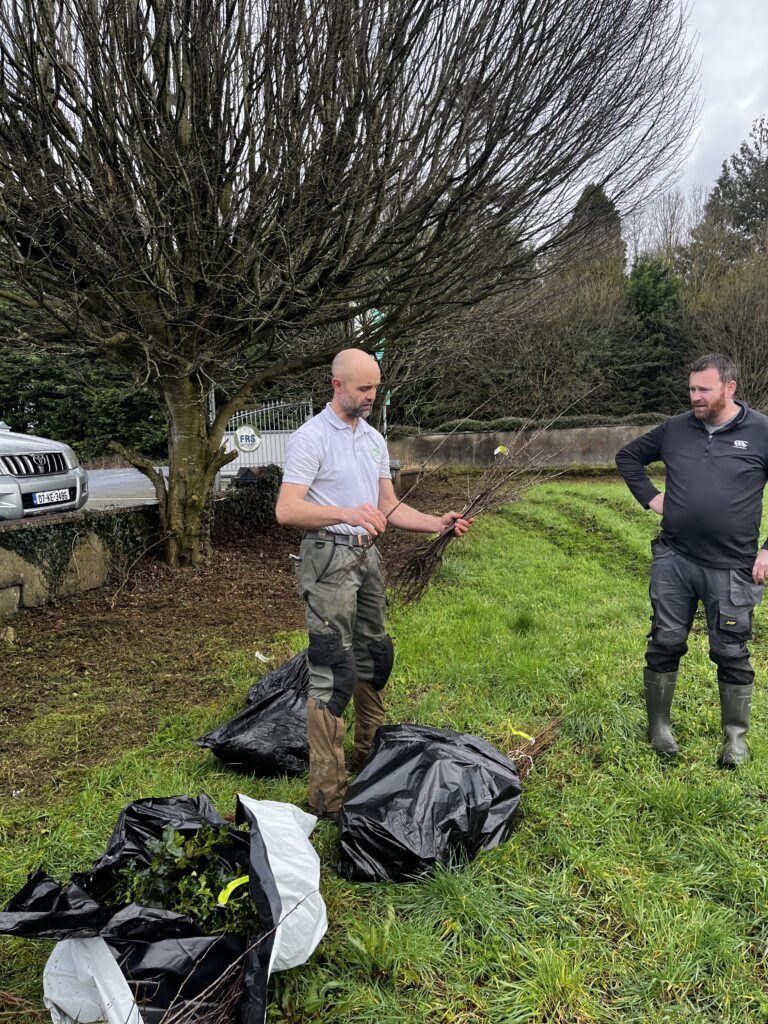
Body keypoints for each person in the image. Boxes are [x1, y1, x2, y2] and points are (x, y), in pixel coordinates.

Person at [275, 348, 472, 819]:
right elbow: (287, 509)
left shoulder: (373, 440)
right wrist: (345, 512)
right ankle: (328, 795)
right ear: (336, 385)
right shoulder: (310, 438)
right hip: (327, 558)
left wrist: (435, 523)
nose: (372, 397)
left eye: (376, 388)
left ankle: (370, 757)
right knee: (332, 670)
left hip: (368, 557)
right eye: (364, 389)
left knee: (373, 654)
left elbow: (388, 505)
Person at [616, 353, 768, 767]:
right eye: (691, 389)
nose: (694, 396)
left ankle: (735, 739)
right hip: (675, 560)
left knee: (731, 650)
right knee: (665, 641)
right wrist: (651, 497)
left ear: (730, 388)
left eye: (704, 389)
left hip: (734, 567)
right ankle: (659, 726)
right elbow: (627, 457)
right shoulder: (675, 429)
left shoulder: (761, 431)